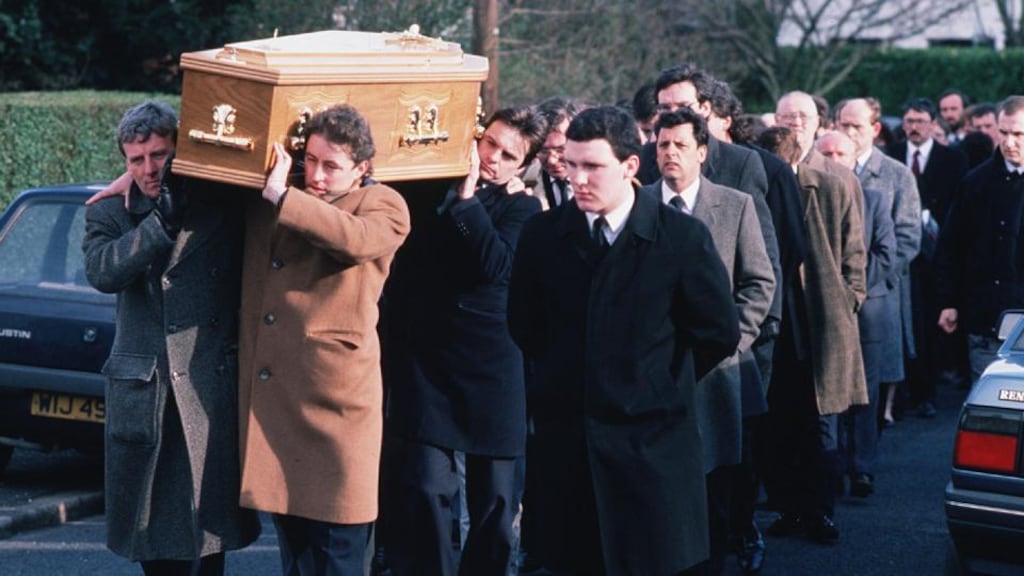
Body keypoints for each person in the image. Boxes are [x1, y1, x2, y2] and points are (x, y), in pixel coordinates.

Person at [508, 104, 739, 575]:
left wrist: (655, 381)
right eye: (571, 165)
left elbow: (718, 332)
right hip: (568, 447)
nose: (578, 179)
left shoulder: (682, 238)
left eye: (593, 166)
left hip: (652, 448)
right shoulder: (543, 235)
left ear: (630, 166)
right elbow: (525, 325)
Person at [82, 99, 260, 575]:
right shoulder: (109, 212)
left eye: (158, 154)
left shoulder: (217, 203)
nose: (148, 168)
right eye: (136, 160)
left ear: (178, 150)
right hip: (149, 396)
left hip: (208, 390)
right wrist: (157, 224)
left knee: (208, 548)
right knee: (156, 548)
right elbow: (103, 271)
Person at [236, 104, 411, 575]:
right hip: (279, 406)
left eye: (331, 165)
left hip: (336, 413)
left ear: (362, 169)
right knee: (295, 558)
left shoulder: (384, 205)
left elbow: (353, 238)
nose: (316, 174)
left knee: (337, 556)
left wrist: (284, 197)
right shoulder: (280, 193)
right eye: (310, 160)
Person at [381, 106, 545, 576]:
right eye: (489, 142)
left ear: (522, 165)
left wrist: (468, 199)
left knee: (495, 501)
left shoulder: (523, 207)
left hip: (492, 366)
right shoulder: (427, 186)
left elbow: (496, 265)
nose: (492, 157)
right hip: (428, 362)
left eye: (508, 154)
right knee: (427, 491)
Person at [641, 108, 774, 575]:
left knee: (714, 495)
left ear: (702, 152)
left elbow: (759, 282)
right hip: (652, 374)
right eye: (662, 145)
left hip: (714, 373)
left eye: (679, 145)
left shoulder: (734, 205)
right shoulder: (639, 204)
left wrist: (732, 340)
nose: (669, 153)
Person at [757, 125, 867, 545]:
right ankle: (791, 508)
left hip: (818, 319)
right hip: (781, 323)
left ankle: (820, 511)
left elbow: (853, 248)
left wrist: (850, 297)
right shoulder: (764, 186)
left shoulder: (829, 185)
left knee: (819, 426)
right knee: (779, 423)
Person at [816, 130, 898, 499]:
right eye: (826, 154)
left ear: (854, 159)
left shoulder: (874, 200)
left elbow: (885, 253)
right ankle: (828, 468)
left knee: (865, 395)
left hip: (867, 312)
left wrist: (852, 292)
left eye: (841, 154)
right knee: (828, 394)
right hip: (823, 314)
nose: (834, 161)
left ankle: (863, 468)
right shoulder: (810, 199)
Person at [834, 97, 922, 432]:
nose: (849, 133)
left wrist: (867, 278)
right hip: (837, 290)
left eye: (857, 126)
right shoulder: (828, 167)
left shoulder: (895, 174)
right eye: (844, 125)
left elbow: (908, 236)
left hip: (879, 290)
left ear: (874, 129)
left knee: (875, 377)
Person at [885, 98, 970, 414]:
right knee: (906, 323)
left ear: (933, 124)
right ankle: (905, 392)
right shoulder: (892, 156)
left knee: (931, 324)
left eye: (920, 121)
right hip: (901, 252)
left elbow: (958, 205)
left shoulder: (953, 160)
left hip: (937, 253)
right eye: (908, 121)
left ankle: (927, 392)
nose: (913, 127)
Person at [936, 95, 1024, 384]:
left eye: (1019, 134)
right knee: (989, 414)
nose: (1010, 142)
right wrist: (948, 301)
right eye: (1004, 132)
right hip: (985, 320)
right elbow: (952, 245)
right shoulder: (975, 183)